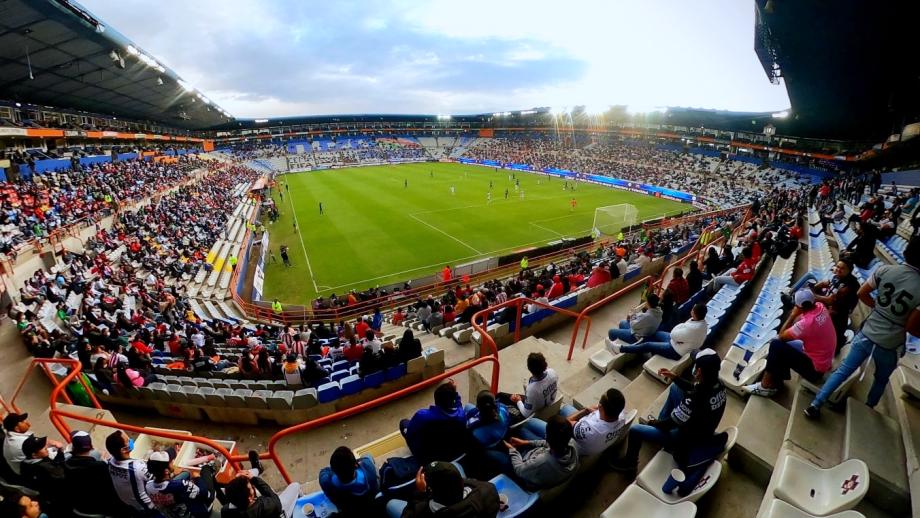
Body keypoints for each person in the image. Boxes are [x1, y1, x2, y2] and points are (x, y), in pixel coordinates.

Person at [805, 238, 920, 418]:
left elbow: (861, 293)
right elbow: (911, 326)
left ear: (906, 251)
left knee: (844, 370)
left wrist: (878, 308)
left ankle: (816, 404)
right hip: (890, 342)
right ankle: (869, 408)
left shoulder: (885, 270)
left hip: (868, 331)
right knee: (881, 379)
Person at [612, 349, 726, 472]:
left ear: (698, 371)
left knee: (635, 430)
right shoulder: (719, 384)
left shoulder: (694, 399)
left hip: (686, 439)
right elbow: (695, 388)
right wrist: (676, 378)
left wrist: (654, 423)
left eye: (695, 364)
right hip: (703, 428)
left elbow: (669, 424)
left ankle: (630, 462)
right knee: (675, 388)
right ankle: (658, 430)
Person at [744, 290, 836, 397]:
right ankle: (778, 380)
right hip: (824, 360)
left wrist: (792, 315)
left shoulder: (805, 325)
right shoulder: (820, 307)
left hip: (815, 370)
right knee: (783, 345)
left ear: (799, 307)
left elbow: (782, 336)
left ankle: (765, 386)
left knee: (776, 344)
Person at [400, 380, 477, 465]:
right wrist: (455, 392)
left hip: (425, 457)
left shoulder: (422, 415)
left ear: (436, 400)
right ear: (453, 401)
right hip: (450, 452)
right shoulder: (460, 416)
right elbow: (458, 405)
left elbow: (411, 432)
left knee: (404, 423)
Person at [386, 461, 500, 518]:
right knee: (455, 464)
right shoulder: (488, 489)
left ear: (430, 490)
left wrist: (420, 492)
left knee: (391, 504)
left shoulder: (421, 510)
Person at [503, 415, 579, 491]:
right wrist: (525, 442)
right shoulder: (572, 443)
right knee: (522, 430)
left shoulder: (541, 461)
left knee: (496, 455)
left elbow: (519, 470)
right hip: (542, 462)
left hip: (529, 473)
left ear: (546, 436)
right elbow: (550, 444)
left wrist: (512, 450)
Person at [610, 303, 707, 360]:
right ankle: (639, 347)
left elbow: (673, 333)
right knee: (656, 333)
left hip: (675, 350)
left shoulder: (694, 329)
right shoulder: (702, 323)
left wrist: (680, 328)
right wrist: (680, 330)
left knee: (648, 345)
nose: (691, 310)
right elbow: (678, 331)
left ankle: (621, 349)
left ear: (694, 313)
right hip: (677, 342)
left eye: (693, 309)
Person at [65, 431, 126, 517]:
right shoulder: (99, 467)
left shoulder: (66, 464)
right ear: (91, 447)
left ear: (73, 448)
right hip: (99, 509)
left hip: (79, 507)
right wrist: (104, 463)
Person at [146, 450, 221, 518]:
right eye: (171, 462)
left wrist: (172, 475)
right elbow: (203, 492)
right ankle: (210, 469)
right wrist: (198, 478)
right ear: (166, 471)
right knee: (205, 470)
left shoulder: (148, 486)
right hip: (196, 513)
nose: (173, 462)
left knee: (186, 473)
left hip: (171, 512)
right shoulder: (181, 485)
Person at [809, 259, 860, 354]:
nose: (838, 270)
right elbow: (829, 296)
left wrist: (814, 295)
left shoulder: (849, 286)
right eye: (838, 267)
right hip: (830, 309)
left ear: (849, 270)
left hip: (837, 315)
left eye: (842, 268)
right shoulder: (837, 277)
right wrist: (820, 286)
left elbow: (831, 302)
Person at [106, 430, 158, 515]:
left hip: (129, 505)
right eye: (128, 440)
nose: (131, 440)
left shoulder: (110, 462)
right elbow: (158, 480)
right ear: (123, 450)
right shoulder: (137, 467)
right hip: (147, 507)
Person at [566, 388, 628, 456]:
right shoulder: (622, 415)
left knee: (565, 409)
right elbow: (598, 407)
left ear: (601, 407)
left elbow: (566, 422)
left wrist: (585, 411)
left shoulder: (589, 430)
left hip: (581, 448)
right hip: (599, 443)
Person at [318, 446, 379, 515]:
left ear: (334, 470)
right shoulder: (368, 466)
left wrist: (336, 468)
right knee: (367, 455)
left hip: (348, 509)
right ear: (355, 465)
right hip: (370, 500)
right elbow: (365, 460)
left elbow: (324, 471)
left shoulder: (326, 482)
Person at [222, 469, 302, 518]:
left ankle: (257, 467)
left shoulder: (226, 511)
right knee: (295, 485)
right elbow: (275, 500)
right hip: (279, 511)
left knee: (251, 472)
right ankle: (302, 498)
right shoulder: (266, 506)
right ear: (249, 498)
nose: (252, 486)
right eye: (251, 488)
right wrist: (254, 479)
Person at [19, 435, 66, 515]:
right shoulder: (45, 467)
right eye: (42, 448)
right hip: (58, 497)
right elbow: (61, 474)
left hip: (43, 493)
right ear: (34, 455)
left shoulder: (24, 463)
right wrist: (60, 452)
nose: (46, 448)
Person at [504, 352, 558, 418]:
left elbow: (526, 414)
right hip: (551, 407)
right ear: (545, 364)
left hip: (539, 416)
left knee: (503, 396)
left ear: (529, 368)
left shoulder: (532, 390)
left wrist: (518, 401)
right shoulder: (553, 372)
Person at [3, 412, 39, 477]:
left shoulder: (11, 435)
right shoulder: (21, 442)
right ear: (17, 429)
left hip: (23, 466)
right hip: (27, 473)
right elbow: (43, 453)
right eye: (22, 421)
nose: (26, 422)